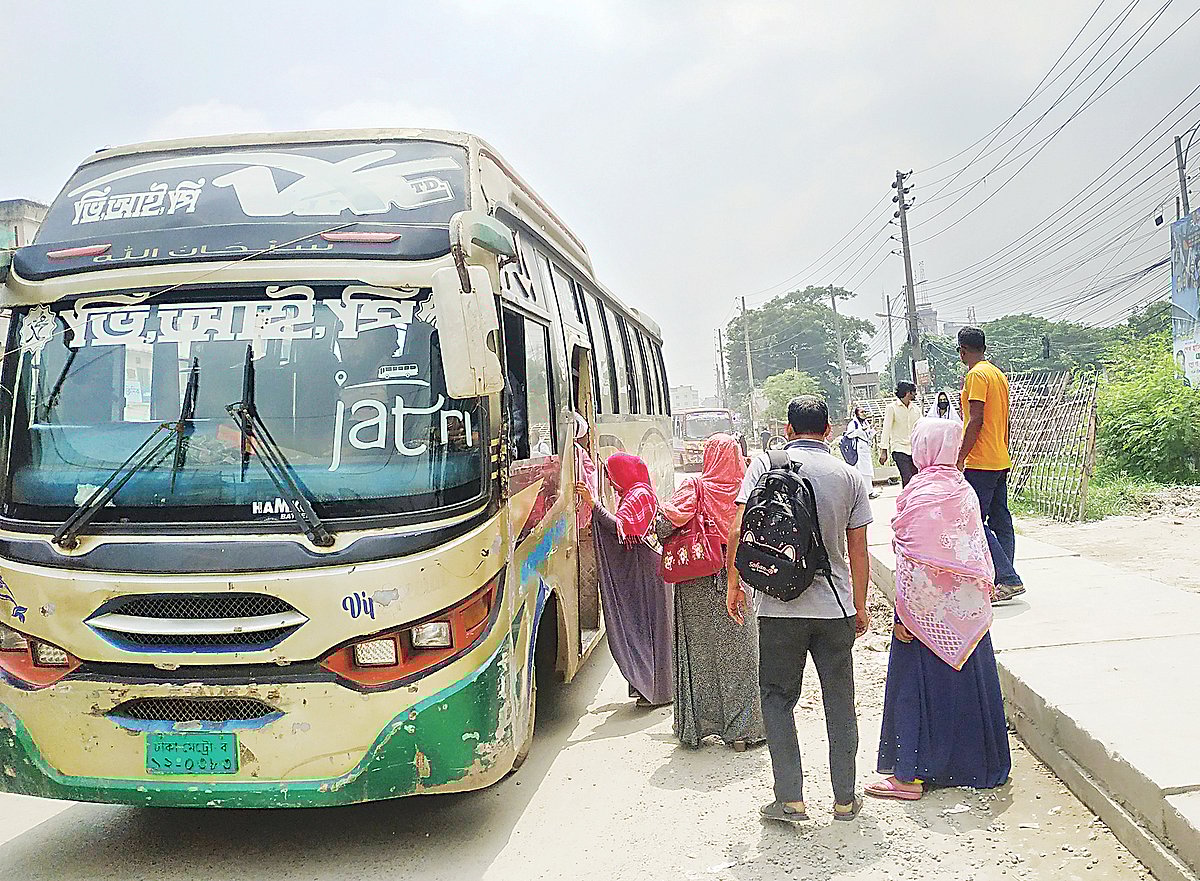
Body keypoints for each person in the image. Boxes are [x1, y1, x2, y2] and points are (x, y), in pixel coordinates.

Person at [726, 395, 872, 825]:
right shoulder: (849, 476)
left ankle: (790, 799)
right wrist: (859, 605)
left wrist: (735, 584)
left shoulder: (765, 464)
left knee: (776, 698)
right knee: (839, 702)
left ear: (788, 431)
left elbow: (738, 527)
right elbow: (858, 549)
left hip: (777, 607)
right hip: (835, 607)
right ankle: (845, 799)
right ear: (829, 431)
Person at [869, 418, 1011, 799]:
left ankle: (908, 778)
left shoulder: (920, 493)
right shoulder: (962, 490)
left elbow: (911, 558)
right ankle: (981, 766)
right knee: (968, 684)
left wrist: (903, 613)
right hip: (967, 613)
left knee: (915, 688)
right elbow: (977, 553)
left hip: (923, 612)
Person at [660, 434, 765, 751]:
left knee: (699, 655)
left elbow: (664, 524)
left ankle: (698, 727)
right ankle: (743, 731)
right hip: (738, 576)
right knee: (742, 656)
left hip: (696, 582)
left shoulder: (694, 487)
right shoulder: (749, 489)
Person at [577, 453, 672, 707]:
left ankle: (655, 692)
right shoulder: (636, 493)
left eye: (611, 475)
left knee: (647, 629)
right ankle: (652, 689)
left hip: (647, 572)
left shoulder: (638, 496)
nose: (610, 481)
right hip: (647, 570)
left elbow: (623, 529)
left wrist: (594, 505)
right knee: (648, 629)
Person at [956, 327, 1025, 604]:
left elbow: (976, 419)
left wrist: (960, 456)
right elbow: (1005, 421)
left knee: (974, 520)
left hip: (980, 460)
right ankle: (1004, 578)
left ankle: (1007, 578)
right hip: (999, 457)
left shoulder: (975, 376)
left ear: (962, 350)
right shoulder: (998, 374)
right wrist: (1004, 449)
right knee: (1001, 519)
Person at [880, 381, 921, 487]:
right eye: (914, 392)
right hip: (899, 449)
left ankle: (915, 501)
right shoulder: (891, 408)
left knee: (916, 478)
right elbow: (886, 429)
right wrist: (883, 451)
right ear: (908, 393)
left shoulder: (916, 409)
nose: (915, 395)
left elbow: (921, 428)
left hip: (914, 449)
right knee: (906, 477)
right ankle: (906, 502)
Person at [845, 406, 879, 499]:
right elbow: (849, 434)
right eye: (862, 412)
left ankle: (869, 491)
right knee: (862, 472)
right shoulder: (853, 423)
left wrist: (873, 431)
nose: (864, 414)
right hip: (859, 451)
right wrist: (860, 430)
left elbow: (867, 436)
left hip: (865, 450)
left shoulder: (865, 423)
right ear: (857, 414)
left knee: (867, 471)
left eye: (865, 412)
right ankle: (867, 492)